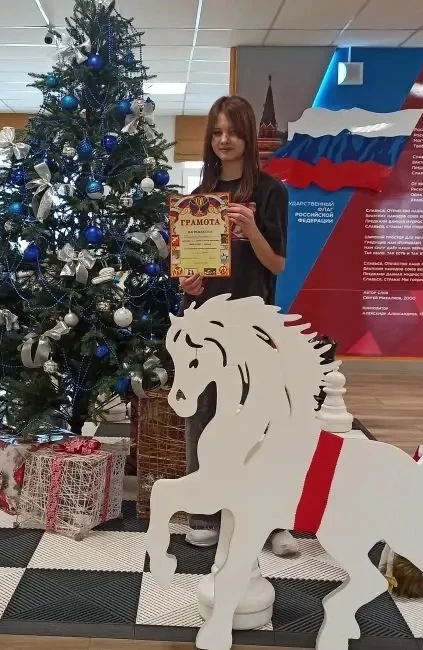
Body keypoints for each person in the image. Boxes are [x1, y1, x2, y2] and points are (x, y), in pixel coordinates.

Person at [177, 95, 299, 557]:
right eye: (216, 132)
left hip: (252, 323)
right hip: (205, 322)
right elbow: (191, 269)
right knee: (203, 416)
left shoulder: (270, 192)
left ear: (248, 135)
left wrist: (251, 230)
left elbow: (278, 264)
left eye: (232, 131)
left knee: (259, 420)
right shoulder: (199, 197)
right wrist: (188, 283)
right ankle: (204, 512)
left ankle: (269, 520)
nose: (224, 140)